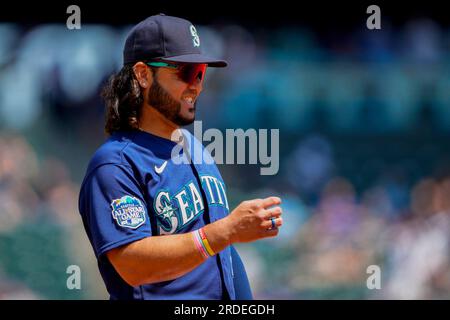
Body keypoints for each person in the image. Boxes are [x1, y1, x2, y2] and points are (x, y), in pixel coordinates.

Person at [78, 13, 283, 300]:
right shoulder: (115, 163)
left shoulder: (194, 146)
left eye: (200, 72)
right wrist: (226, 231)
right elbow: (132, 264)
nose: (196, 85)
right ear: (143, 74)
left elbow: (217, 257)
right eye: (185, 72)